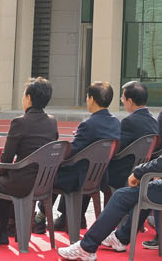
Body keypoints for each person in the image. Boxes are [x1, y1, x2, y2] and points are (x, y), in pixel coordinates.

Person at [59, 82, 162, 260]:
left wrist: (138, 171)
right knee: (144, 189)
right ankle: (121, 237)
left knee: (122, 195)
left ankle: (86, 247)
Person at [0, 79, 61, 246]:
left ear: (29, 98)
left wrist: (1, 173)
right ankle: (6, 227)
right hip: (45, 182)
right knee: (3, 181)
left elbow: (6, 158)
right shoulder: (52, 122)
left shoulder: (20, 122)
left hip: (23, 183)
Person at [51, 82, 123, 227]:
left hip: (80, 176)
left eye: (87, 97)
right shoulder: (115, 122)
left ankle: (41, 215)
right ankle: (75, 217)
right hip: (100, 175)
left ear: (92, 99)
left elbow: (72, 152)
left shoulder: (88, 124)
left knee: (52, 171)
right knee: (82, 166)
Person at [108, 82, 158, 191]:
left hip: (125, 173)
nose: (122, 101)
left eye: (123, 98)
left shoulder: (128, 122)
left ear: (130, 101)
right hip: (146, 172)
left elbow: (118, 148)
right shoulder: (154, 121)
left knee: (96, 170)